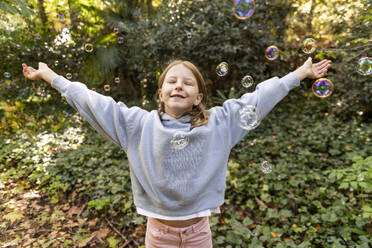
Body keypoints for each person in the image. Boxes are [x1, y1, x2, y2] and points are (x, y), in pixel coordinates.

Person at [22, 57, 331, 247]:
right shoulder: (138, 125)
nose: (178, 86)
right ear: (161, 93)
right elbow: (93, 102)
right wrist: (52, 77)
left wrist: (298, 75)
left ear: (198, 97)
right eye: (171, 81)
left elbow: (257, 99)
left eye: (187, 83)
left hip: (198, 234)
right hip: (158, 235)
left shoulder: (219, 124)